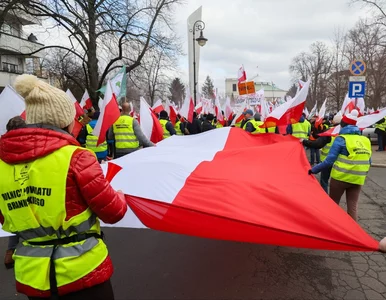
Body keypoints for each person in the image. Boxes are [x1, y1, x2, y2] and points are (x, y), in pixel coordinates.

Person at [0, 74, 128, 299]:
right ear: (66, 120)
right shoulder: (77, 158)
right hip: (82, 270)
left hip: (33, 274)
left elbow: (6, 217)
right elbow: (113, 212)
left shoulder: (2, 164)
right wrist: (119, 196)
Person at [309, 110, 371, 221]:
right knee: (352, 208)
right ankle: (353, 233)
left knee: (333, 206)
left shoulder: (341, 139)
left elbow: (329, 161)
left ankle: (334, 230)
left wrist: (313, 170)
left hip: (340, 178)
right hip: (358, 179)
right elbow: (368, 161)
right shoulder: (365, 140)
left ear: (342, 125)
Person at [3, 116, 26, 269]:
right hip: (25, 182)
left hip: (7, 186)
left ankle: (11, 251)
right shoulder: (27, 142)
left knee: (13, 216)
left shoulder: (2, 144)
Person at [302, 113, 342, 193]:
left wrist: (304, 141)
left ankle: (325, 199)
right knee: (338, 184)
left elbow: (317, 144)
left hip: (326, 161)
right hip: (340, 163)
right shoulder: (344, 132)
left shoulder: (329, 132)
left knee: (324, 181)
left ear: (334, 121)